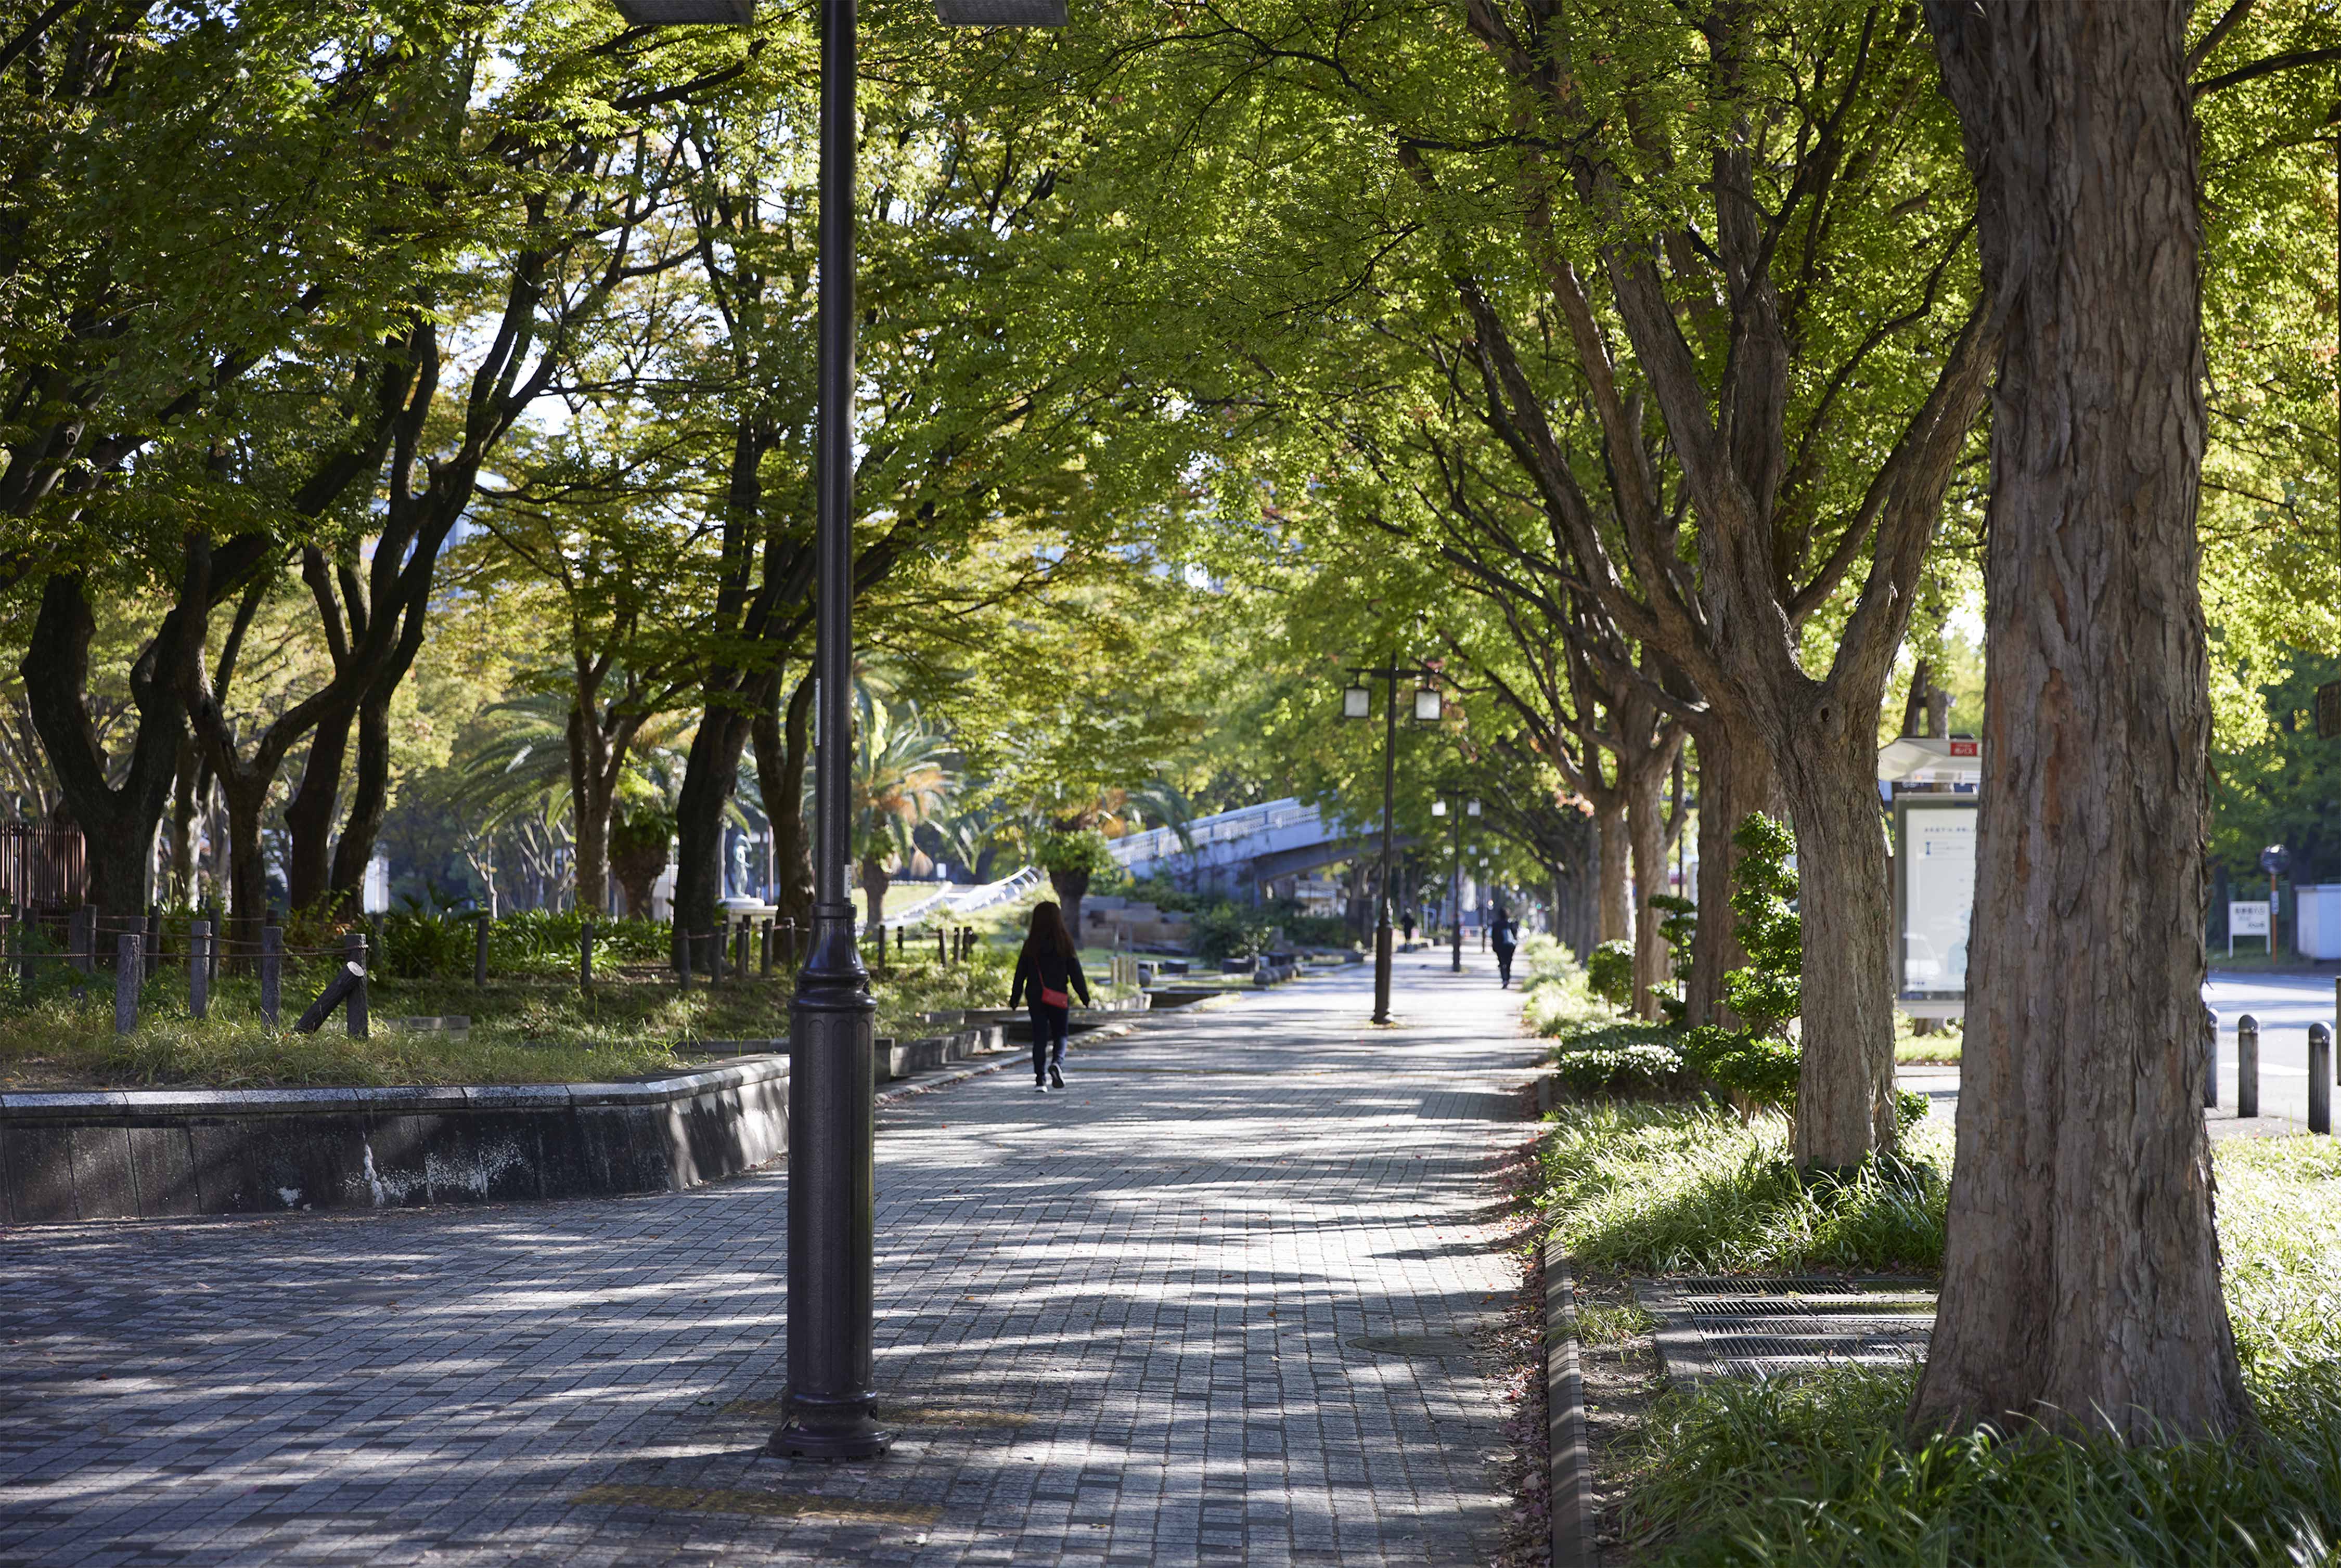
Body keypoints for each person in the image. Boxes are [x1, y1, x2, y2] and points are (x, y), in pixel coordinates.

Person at [1009, 900, 1091, 1093]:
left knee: (1039, 1037)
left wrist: (1015, 997)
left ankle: (1040, 1080)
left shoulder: (1031, 945)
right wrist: (1084, 996)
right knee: (1061, 1034)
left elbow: (1020, 973)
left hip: (1036, 996)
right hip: (1059, 997)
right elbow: (1076, 972)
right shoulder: (1065, 943)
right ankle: (1057, 1063)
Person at [1489, 906, 1518, 988]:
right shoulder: (1510, 924)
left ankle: (1504, 980)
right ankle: (1508, 979)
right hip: (1509, 947)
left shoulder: (1496, 925)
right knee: (1509, 963)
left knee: (1502, 963)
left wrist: (1494, 947)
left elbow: (1493, 937)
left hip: (1500, 947)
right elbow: (1515, 936)